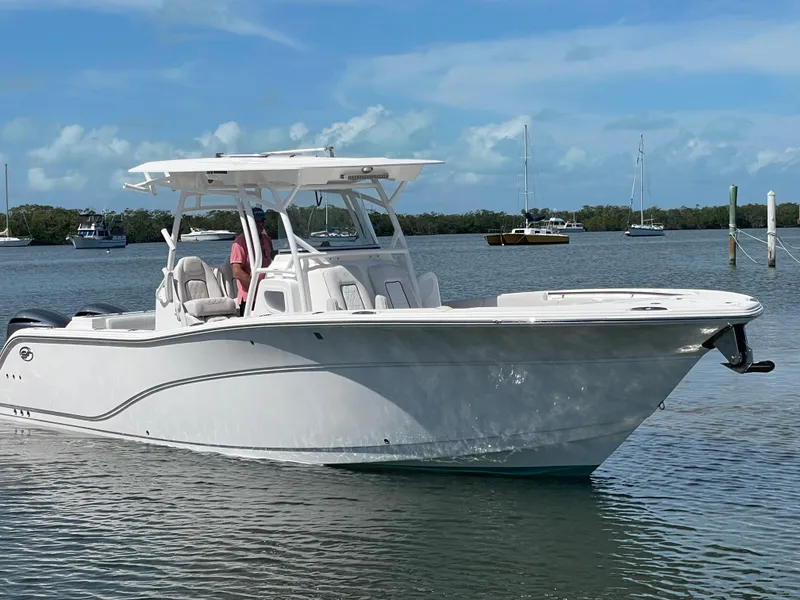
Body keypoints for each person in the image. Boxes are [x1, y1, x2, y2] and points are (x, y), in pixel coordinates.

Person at [229, 206, 275, 316]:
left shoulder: (267, 240)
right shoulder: (240, 242)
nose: (260, 224)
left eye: (262, 221)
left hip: (268, 293)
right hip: (249, 298)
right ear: (249, 222)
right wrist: (256, 284)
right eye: (257, 221)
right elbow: (236, 272)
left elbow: (273, 260)